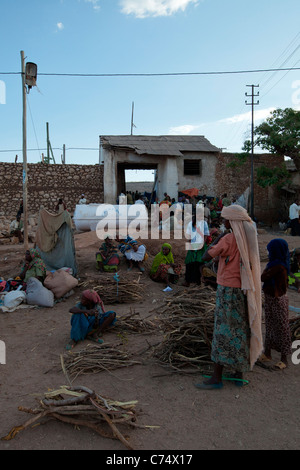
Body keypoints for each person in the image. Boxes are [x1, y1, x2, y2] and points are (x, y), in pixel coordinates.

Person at [195, 204, 263, 389]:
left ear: (231, 221)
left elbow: (205, 257)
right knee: (239, 330)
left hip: (227, 291)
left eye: (225, 219)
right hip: (242, 290)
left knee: (222, 331)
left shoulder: (229, 238)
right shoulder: (248, 239)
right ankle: (238, 373)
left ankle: (217, 378)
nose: (223, 221)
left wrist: (219, 237)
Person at [261, 239, 292, 369]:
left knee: (281, 328)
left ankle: (284, 359)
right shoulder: (275, 264)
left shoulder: (278, 266)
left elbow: (263, 277)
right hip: (271, 298)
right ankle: (267, 353)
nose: (268, 253)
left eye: (270, 250)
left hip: (277, 299)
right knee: (270, 326)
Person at [183, 214, 210, 286]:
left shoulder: (204, 223)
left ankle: (198, 281)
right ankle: (187, 281)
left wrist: (202, 244)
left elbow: (206, 235)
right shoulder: (190, 223)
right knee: (189, 262)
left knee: (199, 262)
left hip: (200, 246)